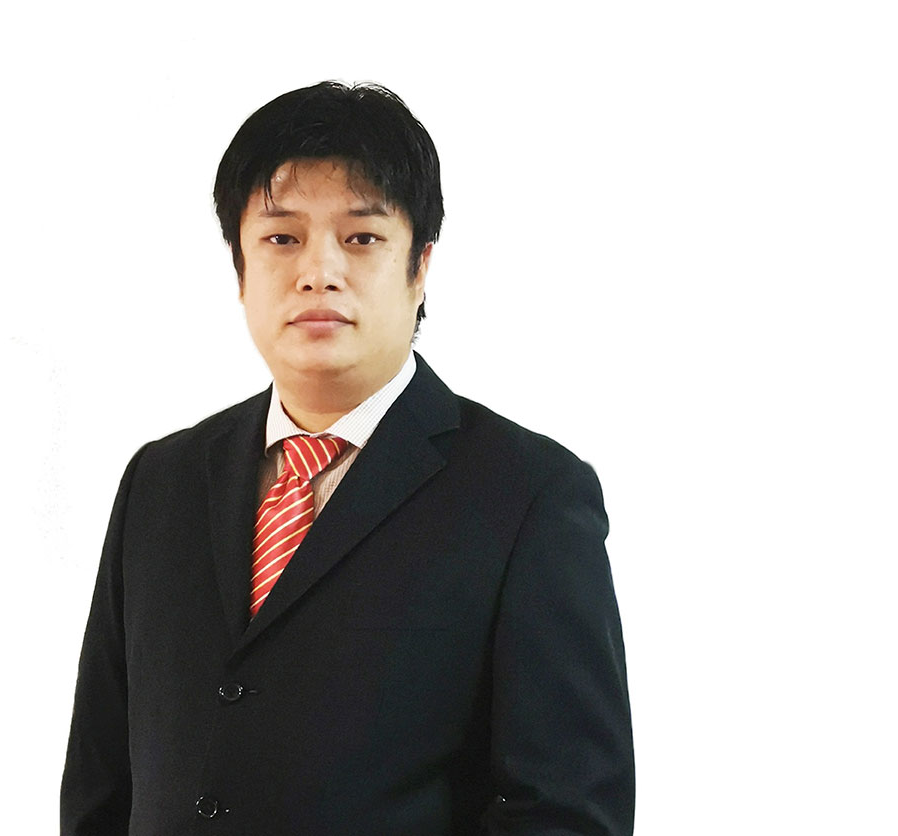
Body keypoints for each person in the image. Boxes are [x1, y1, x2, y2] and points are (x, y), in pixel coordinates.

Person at [61, 81, 634, 835]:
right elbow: (101, 784)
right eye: (281, 238)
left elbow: (566, 814)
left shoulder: (528, 494)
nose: (318, 271)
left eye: (361, 238)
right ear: (239, 267)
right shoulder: (160, 481)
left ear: (420, 265)